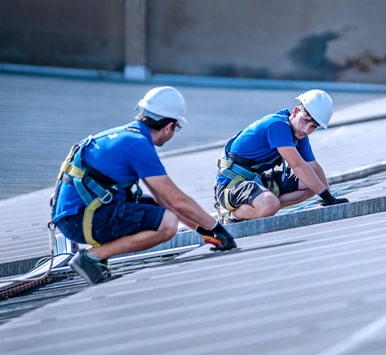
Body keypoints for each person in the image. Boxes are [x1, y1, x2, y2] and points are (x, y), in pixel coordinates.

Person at [51, 86, 237, 285]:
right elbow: (177, 200)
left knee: (159, 211)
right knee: (167, 225)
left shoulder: (126, 136)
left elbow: (164, 199)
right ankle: (92, 258)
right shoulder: (138, 145)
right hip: (81, 219)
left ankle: (97, 257)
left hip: (77, 215)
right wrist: (217, 228)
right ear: (168, 126)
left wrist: (205, 232)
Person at [215, 89, 348, 221]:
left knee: (311, 185)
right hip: (230, 186)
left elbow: (314, 167)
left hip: (256, 181)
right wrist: (327, 197)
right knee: (270, 204)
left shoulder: (299, 136)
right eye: (305, 120)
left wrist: (330, 198)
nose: (306, 130)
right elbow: (298, 166)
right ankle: (234, 214)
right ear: (295, 112)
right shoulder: (277, 126)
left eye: (313, 126)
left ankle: (262, 204)